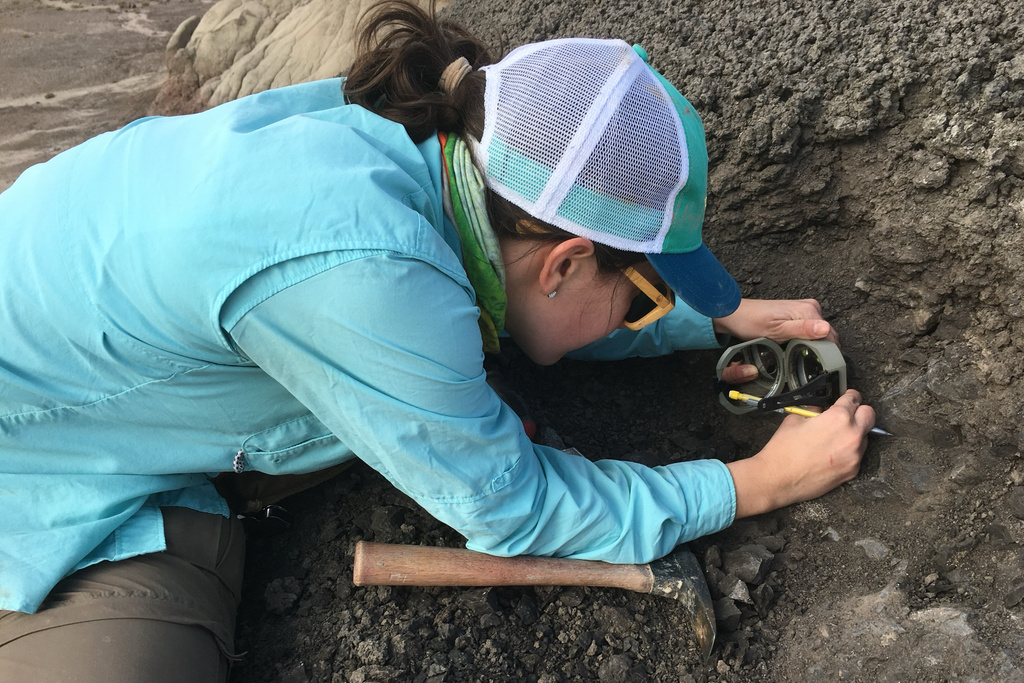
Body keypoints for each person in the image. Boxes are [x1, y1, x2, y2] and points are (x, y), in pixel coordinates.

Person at [0, 1, 875, 680]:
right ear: (566, 262)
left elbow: (517, 297)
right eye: (643, 293)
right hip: (36, 471)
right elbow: (510, 507)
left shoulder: (417, 143)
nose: (646, 311)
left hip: (114, 364)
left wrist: (709, 319)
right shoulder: (366, 275)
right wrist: (754, 482)